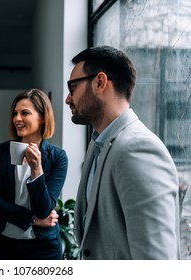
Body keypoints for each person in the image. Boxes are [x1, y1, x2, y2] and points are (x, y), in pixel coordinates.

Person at [65, 45, 180, 259]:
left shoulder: (138, 149)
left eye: (72, 87)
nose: (68, 99)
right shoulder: (97, 143)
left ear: (100, 83)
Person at [0, 89, 68, 259]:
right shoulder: (2, 152)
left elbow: (44, 210)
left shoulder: (57, 157)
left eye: (25, 113)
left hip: (44, 247)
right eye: (15, 113)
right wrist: (31, 219)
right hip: (5, 244)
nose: (17, 119)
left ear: (42, 117)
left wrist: (36, 168)